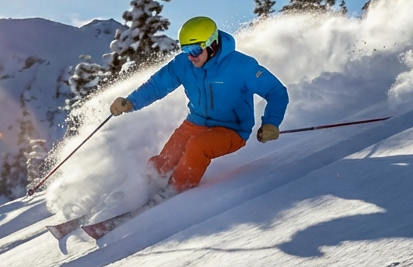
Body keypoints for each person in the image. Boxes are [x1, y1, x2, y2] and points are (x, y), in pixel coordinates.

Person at [109, 16, 288, 195]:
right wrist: (131, 102)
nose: (190, 56)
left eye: (194, 50)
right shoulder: (183, 64)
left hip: (232, 130)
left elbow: (276, 91)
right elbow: (156, 86)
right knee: (165, 161)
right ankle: (141, 190)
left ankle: (175, 192)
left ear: (212, 44)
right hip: (195, 123)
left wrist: (271, 123)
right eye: (185, 49)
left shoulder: (241, 66)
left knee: (197, 146)